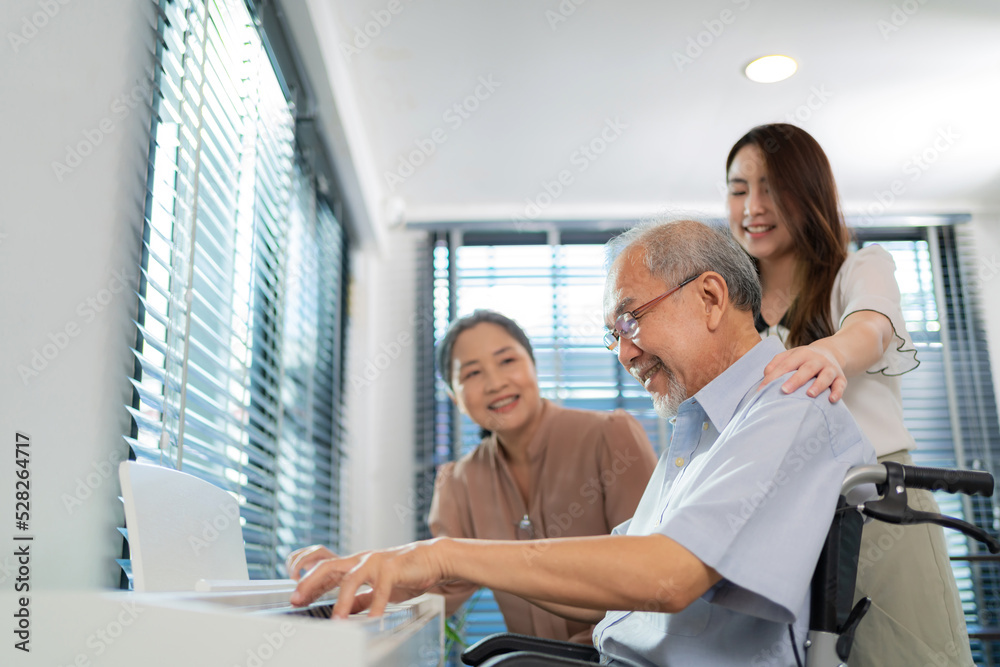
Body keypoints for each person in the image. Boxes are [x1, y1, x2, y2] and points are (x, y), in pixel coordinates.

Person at [286, 220, 876, 666]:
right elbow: (615, 596)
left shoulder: (787, 403)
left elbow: (665, 576)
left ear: (711, 297)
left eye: (631, 321)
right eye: (612, 336)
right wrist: (403, 572)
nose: (623, 354)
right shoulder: (696, 431)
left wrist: (442, 552)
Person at [725, 122, 971, 666]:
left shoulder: (859, 268)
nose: (753, 206)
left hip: (880, 503)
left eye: (772, 186)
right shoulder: (732, 312)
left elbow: (871, 327)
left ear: (809, 192)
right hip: (785, 523)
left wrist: (831, 353)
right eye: (739, 188)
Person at [426, 309, 658, 643]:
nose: (495, 383)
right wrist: (353, 580)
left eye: (507, 361)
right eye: (473, 373)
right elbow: (434, 589)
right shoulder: (458, 482)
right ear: (454, 397)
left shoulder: (611, 437)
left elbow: (652, 574)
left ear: (532, 365)